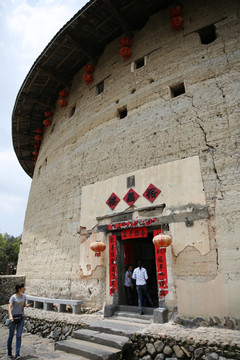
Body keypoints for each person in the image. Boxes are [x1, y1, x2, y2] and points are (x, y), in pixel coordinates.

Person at [7, 283, 30, 359]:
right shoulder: (13, 297)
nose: (24, 288)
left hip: (21, 318)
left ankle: (17, 354)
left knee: (19, 335)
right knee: (11, 336)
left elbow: (23, 305)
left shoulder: (24, 296)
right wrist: (10, 316)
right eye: (23, 287)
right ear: (19, 289)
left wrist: (26, 306)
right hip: (13, 318)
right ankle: (9, 351)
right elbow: (9, 308)